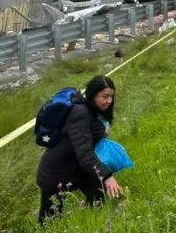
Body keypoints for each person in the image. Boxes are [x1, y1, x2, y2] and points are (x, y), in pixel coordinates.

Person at [36, 75, 124, 223]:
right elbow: (85, 153)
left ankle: (93, 228)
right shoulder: (81, 113)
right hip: (55, 175)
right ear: (93, 94)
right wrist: (108, 176)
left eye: (111, 96)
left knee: (99, 197)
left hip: (78, 169)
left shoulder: (92, 110)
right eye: (105, 96)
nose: (109, 101)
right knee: (49, 222)